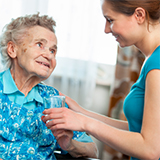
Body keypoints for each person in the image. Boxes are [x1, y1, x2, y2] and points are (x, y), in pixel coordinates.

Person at [42, 0, 160, 160]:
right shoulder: (151, 59)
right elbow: (137, 129)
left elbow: (151, 150)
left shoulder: (156, 65)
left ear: (139, 15)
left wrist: (84, 122)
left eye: (110, 20)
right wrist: (82, 113)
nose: (106, 29)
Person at [0, 13, 98, 160]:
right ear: (13, 50)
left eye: (53, 51)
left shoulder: (53, 99)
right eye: (40, 45)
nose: (49, 55)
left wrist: (69, 145)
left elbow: (92, 151)